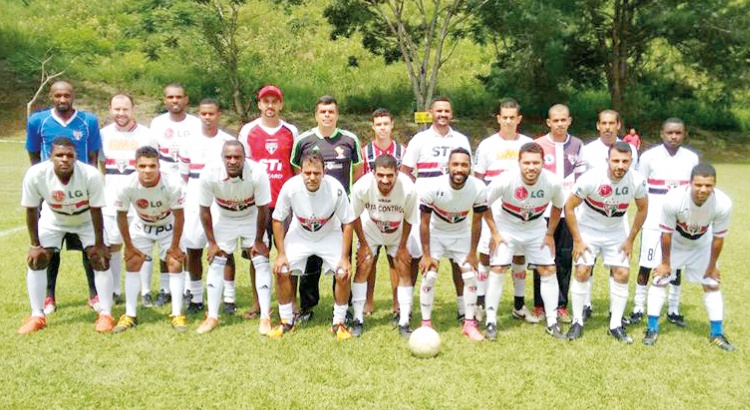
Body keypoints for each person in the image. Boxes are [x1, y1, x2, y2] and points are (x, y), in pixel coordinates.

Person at [18, 137, 114, 335]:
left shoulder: (90, 174)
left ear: (76, 157)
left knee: (100, 259)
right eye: (59, 155)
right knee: (37, 260)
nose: (64, 159)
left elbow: (96, 210)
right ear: (50, 157)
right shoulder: (36, 174)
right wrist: (35, 244)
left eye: (69, 155)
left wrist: (99, 244)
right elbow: (31, 210)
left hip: (85, 219)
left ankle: (106, 314)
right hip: (54, 219)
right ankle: (37, 315)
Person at [25, 80, 101, 315]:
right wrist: (44, 185)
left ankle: (94, 294)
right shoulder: (38, 120)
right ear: (51, 96)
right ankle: (49, 296)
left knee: (88, 248)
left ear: (73, 96)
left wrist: (89, 185)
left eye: (67, 95)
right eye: (58, 95)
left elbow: (93, 154)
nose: (62, 100)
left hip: (81, 191)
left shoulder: (88, 121)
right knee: (50, 247)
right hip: (53, 194)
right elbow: (34, 153)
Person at [643, 163, 735, 351]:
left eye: (708, 185)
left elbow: (718, 238)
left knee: (711, 283)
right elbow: (666, 234)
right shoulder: (673, 199)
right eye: (699, 185)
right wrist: (666, 263)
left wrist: (711, 266)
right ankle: (652, 328)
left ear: (714, 185)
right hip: (675, 242)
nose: (703, 189)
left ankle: (716, 333)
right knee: (660, 280)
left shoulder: (723, 203)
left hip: (701, 243)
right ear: (690, 183)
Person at [564, 142, 647, 343]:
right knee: (582, 270)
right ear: (607, 160)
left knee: (622, 273)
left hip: (616, 231)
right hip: (589, 230)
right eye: (616, 160)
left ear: (631, 162)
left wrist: (630, 240)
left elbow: (643, 209)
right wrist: (578, 239)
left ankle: (615, 324)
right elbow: (568, 207)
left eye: (625, 161)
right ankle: (577, 321)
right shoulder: (591, 178)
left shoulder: (636, 180)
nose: (620, 165)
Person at [266, 151, 356, 340]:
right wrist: (281, 253)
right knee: (281, 270)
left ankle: (339, 323)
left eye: (316, 173)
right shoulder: (290, 187)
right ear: (301, 172)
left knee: (343, 273)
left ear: (324, 172)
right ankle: (286, 321)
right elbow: (277, 219)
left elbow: (348, 222)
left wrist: (344, 258)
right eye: (307, 173)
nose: (312, 177)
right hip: (300, 233)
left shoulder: (335, 188)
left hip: (329, 233)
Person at [483, 142, 566, 340]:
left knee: (548, 269)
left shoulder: (552, 182)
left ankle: (552, 321)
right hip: (506, 228)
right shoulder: (505, 179)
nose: (531, 167)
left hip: (535, 228)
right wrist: (495, 232)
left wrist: (549, 233)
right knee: (498, 268)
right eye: (526, 163)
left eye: (535, 163)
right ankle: (491, 321)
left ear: (542, 163)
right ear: (519, 163)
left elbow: (558, 206)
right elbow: (483, 203)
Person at [290, 96, 363, 322]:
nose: (327, 115)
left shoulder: (350, 140)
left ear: (337, 115)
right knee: (311, 259)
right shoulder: (304, 140)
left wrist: (349, 204)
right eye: (323, 111)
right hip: (312, 211)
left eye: (331, 111)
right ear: (316, 115)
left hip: (340, 212)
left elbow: (357, 176)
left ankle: (343, 307)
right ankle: (307, 307)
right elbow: (297, 173)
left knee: (342, 259)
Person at [401, 97, 472, 322]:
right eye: (438, 110)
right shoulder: (419, 139)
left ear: (452, 114)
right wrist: (416, 197)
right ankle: (407, 307)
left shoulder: (461, 139)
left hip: (453, 209)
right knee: (416, 257)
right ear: (431, 113)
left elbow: (468, 172)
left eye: (447, 111)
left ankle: (463, 309)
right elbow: (405, 171)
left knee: (457, 260)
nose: (442, 114)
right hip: (425, 210)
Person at [195, 141, 272, 334]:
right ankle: (212, 316)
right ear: (222, 158)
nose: (232, 161)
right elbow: (204, 209)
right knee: (216, 260)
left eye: (237, 157)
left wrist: (258, 240)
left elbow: (263, 209)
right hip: (225, 217)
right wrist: (212, 243)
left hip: (250, 216)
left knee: (261, 260)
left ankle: (265, 317)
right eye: (228, 157)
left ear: (244, 158)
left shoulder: (258, 173)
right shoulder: (209, 173)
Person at [238, 85, 299, 319]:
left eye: (275, 101)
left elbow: (295, 168)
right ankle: (257, 303)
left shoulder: (290, 131)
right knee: (257, 254)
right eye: (266, 101)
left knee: (289, 253)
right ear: (259, 104)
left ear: (281, 105)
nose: (270, 106)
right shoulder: (248, 131)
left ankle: (291, 300)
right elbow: (244, 167)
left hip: (285, 205)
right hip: (258, 205)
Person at [629, 118, 699, 325]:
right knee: (646, 264)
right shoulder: (649, 157)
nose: (674, 136)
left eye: (678, 133)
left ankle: (673, 309)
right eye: (670, 133)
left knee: (676, 266)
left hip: (680, 223)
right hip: (653, 221)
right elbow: (640, 189)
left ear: (684, 134)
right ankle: (638, 307)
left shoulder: (692, 158)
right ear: (662, 133)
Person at [112, 146, 188, 333]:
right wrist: (129, 246)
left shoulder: (172, 184)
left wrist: (175, 246)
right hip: (142, 226)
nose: (147, 170)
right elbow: (121, 215)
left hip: (168, 226)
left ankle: (177, 314)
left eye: (152, 166)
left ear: (159, 166)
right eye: (143, 166)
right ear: (136, 166)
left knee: (175, 263)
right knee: (133, 262)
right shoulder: (126, 184)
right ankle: (130, 314)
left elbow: (179, 216)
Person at [474, 98, 535, 325]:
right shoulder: (487, 145)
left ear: (519, 119)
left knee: (519, 255)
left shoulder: (528, 145)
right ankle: (480, 304)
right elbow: (478, 180)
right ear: (498, 119)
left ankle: (519, 305)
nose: (508, 121)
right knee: (486, 254)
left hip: (521, 212)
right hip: (493, 213)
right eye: (504, 117)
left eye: (513, 117)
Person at [417, 148, 488, 342]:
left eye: (464, 165)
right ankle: (426, 323)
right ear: (447, 166)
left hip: (461, 234)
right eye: (455, 164)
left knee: (471, 277)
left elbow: (477, 221)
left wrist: (473, 252)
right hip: (436, 234)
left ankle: (469, 323)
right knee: (430, 275)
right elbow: (423, 222)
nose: (459, 169)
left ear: (470, 168)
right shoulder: (433, 186)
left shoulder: (478, 187)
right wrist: (426, 254)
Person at [577, 109, 638, 320]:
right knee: (586, 265)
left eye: (612, 123)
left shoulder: (629, 150)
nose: (608, 127)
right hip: (590, 215)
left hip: (617, 219)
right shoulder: (587, 150)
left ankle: (615, 312)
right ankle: (585, 305)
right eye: (604, 123)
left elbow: (631, 182)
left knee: (619, 267)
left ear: (618, 125)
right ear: (598, 125)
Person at [99, 94, 158, 307]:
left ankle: (146, 291)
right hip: (112, 200)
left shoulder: (147, 135)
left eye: (125, 109)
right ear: (110, 109)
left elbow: (153, 166)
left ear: (133, 109)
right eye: (117, 109)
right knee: (113, 245)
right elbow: (102, 165)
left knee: (141, 246)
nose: (121, 113)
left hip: (140, 201)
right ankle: (115, 290)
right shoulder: (103, 135)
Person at [350, 154, 418, 337]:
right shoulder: (361, 186)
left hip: (397, 231)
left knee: (403, 267)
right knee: (363, 266)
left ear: (397, 173)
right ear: (373, 173)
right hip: (371, 229)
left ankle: (404, 321)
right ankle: (357, 318)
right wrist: (363, 244)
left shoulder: (409, 189)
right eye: (380, 175)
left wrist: (403, 247)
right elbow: (354, 215)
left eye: (390, 175)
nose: (385, 180)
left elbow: (410, 219)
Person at [178, 98, 236, 314]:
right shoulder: (189, 142)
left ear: (219, 114)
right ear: (199, 115)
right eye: (203, 114)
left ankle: (229, 299)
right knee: (193, 250)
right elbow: (184, 176)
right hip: (194, 202)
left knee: (225, 250)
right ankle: (195, 297)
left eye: (211, 113)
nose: (207, 117)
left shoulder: (227, 142)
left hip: (220, 203)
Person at [149, 83, 202, 307]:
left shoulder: (196, 124)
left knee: (186, 238)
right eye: (170, 97)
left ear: (186, 99)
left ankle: (189, 287)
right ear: (164, 100)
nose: (175, 101)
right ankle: (165, 288)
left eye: (179, 97)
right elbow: (152, 155)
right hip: (164, 186)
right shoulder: (157, 124)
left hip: (188, 187)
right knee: (166, 238)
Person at [532, 104, 585, 324]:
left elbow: (580, 179)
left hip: (568, 212)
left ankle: (561, 306)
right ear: (549, 122)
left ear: (569, 121)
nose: (560, 124)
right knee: (542, 256)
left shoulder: (577, 144)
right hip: (543, 211)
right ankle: (539, 305)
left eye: (564, 120)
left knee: (564, 257)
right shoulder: (538, 145)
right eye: (556, 120)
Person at [360, 108, 413, 319]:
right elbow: (360, 182)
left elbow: (408, 182)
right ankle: (368, 301)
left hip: (395, 213)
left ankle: (397, 304)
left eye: (386, 124)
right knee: (369, 259)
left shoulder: (402, 151)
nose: (382, 128)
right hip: (371, 213)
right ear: (372, 126)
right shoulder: (365, 152)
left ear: (392, 125)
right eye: (378, 124)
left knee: (395, 260)